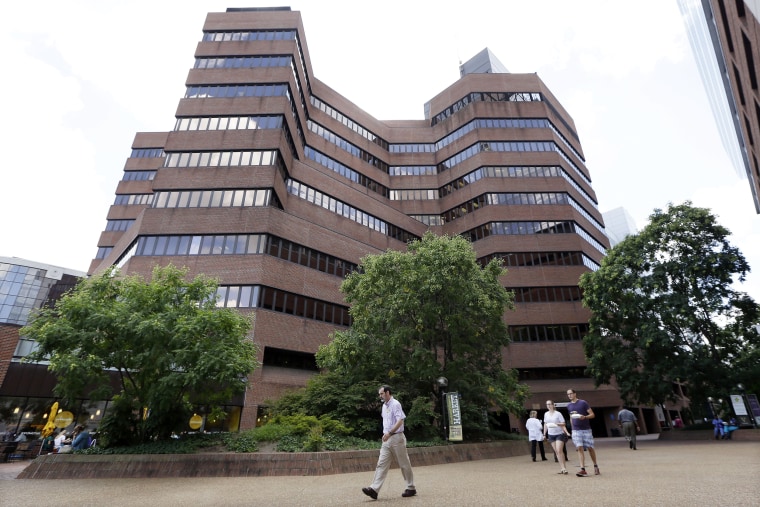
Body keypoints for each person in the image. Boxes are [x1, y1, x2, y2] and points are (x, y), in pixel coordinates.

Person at [362, 385, 416, 500]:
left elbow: (400, 421)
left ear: (387, 393)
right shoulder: (384, 406)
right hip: (387, 439)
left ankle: (411, 487)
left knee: (404, 464)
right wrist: (385, 434)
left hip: (397, 438)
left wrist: (390, 433)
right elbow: (386, 421)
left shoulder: (395, 404)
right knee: (381, 464)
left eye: (381, 394)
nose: (380, 396)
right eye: (379, 394)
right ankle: (374, 490)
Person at [567, 389, 600, 477]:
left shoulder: (583, 403)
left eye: (571, 394)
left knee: (590, 448)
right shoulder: (569, 405)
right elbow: (571, 417)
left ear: (575, 394)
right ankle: (582, 469)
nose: (569, 395)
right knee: (579, 448)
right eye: (568, 394)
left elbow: (592, 414)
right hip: (576, 430)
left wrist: (585, 417)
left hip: (586, 429)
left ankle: (595, 465)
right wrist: (572, 427)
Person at [542, 400, 568, 474]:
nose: (548, 406)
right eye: (547, 404)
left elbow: (563, 423)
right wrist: (544, 434)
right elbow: (545, 424)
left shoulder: (558, 414)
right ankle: (562, 468)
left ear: (553, 405)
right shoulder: (546, 414)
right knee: (556, 451)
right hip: (551, 434)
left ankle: (564, 467)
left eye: (550, 404)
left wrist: (557, 424)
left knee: (559, 450)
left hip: (559, 433)